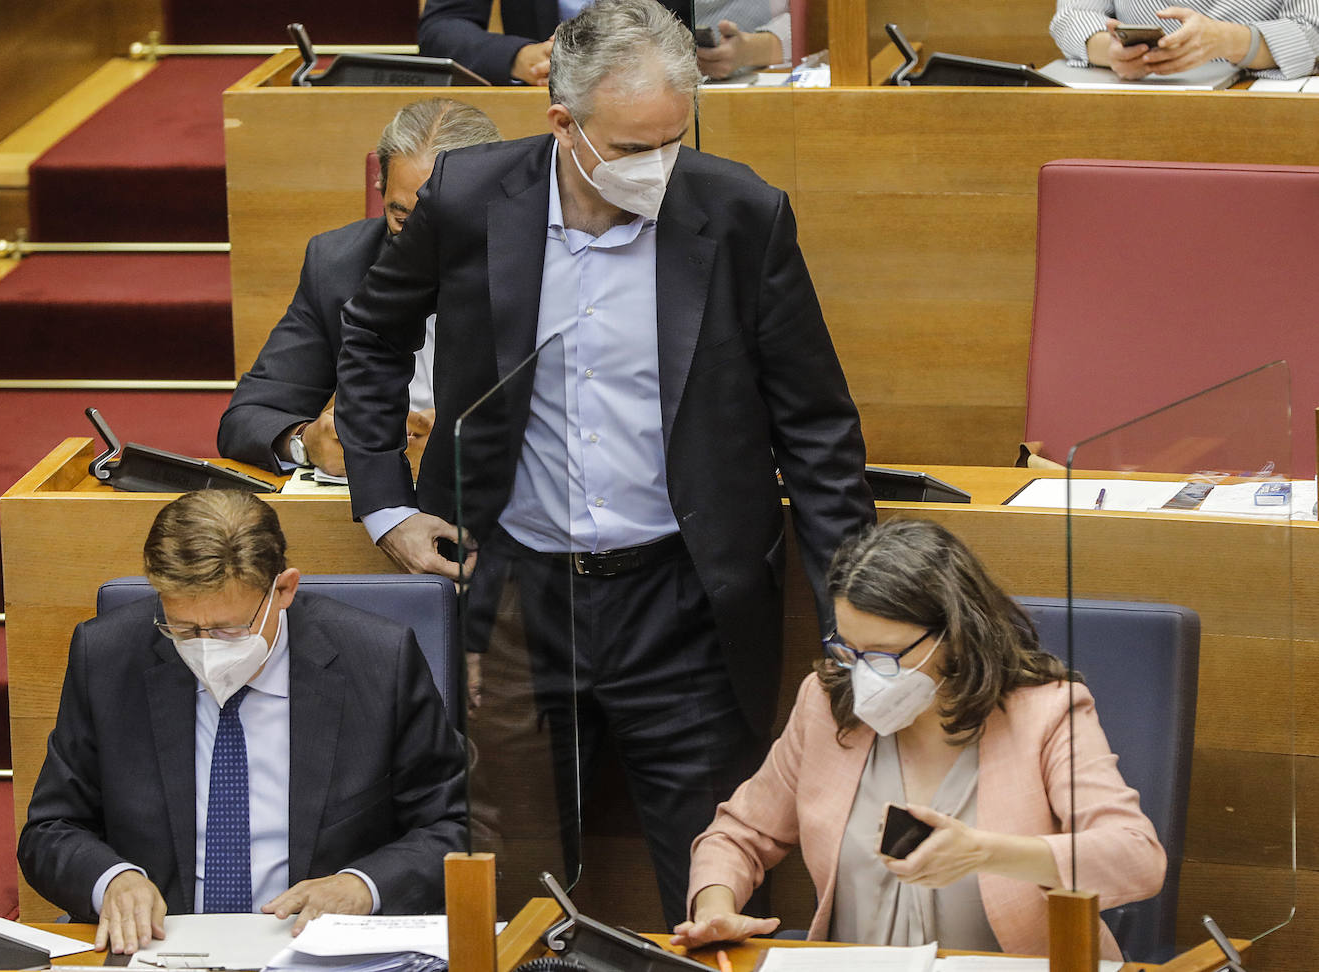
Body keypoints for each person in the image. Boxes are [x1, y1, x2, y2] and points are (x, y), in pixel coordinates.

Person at [334, 0, 874, 927]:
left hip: (684, 605)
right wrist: (384, 500)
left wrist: (851, 628)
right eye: (630, 149)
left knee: (713, 883)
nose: (657, 169)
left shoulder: (740, 214)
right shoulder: (468, 198)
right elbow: (373, 336)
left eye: (673, 140)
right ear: (562, 125)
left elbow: (818, 435)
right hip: (513, 600)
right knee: (507, 886)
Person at [671, 519, 1166, 958]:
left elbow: (1136, 857)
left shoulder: (1047, 711)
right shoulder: (826, 702)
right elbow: (739, 835)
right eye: (851, 650)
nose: (863, 675)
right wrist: (717, 905)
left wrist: (986, 852)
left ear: (954, 634)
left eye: (885, 655)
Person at [17, 490, 467, 954]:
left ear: (284, 590)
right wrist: (112, 880)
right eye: (185, 629)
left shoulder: (378, 660)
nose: (206, 647)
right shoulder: (109, 657)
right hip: (163, 951)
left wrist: (361, 886)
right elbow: (50, 831)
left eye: (229, 630)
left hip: (317, 951)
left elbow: (454, 826)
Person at [217, 99, 501, 476]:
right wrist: (306, 442)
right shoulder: (338, 264)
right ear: (380, 188)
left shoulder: (544, 260)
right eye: (402, 220)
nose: (421, 244)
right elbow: (249, 417)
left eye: (444, 223)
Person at [418, 0, 792, 84]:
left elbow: (801, 26)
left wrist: (749, 50)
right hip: (542, 112)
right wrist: (521, 57)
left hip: (669, 107)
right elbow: (442, 27)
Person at [1050, 1, 1319, 79]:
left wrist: (1227, 40)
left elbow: (1311, 31)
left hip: (1257, 98)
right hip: (1139, 93)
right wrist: (1111, 51)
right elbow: (1074, 15)